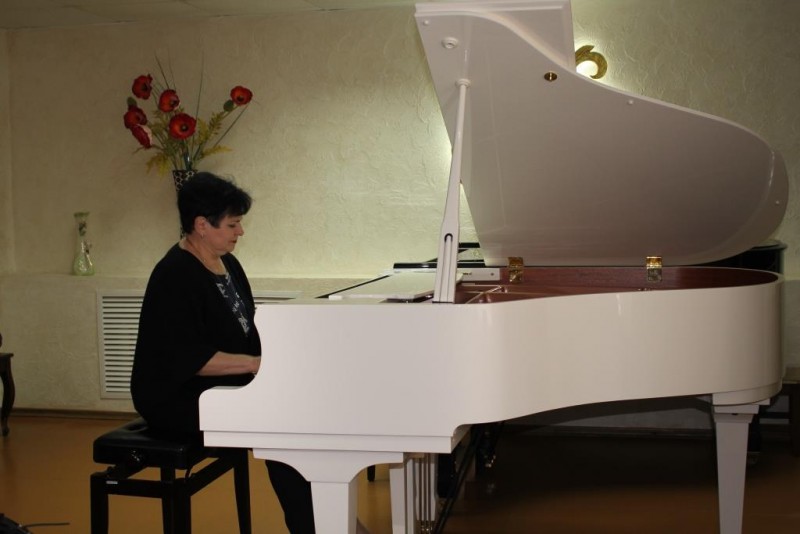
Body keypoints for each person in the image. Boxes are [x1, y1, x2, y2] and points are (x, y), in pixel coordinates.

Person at [131, 172, 330, 533]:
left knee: (300, 412)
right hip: (177, 397)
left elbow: (246, 331)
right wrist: (256, 365)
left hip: (219, 385)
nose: (241, 232)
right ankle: (316, 526)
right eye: (233, 224)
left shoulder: (228, 263)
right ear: (201, 225)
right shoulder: (174, 275)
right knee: (280, 426)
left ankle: (327, 517)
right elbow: (188, 358)